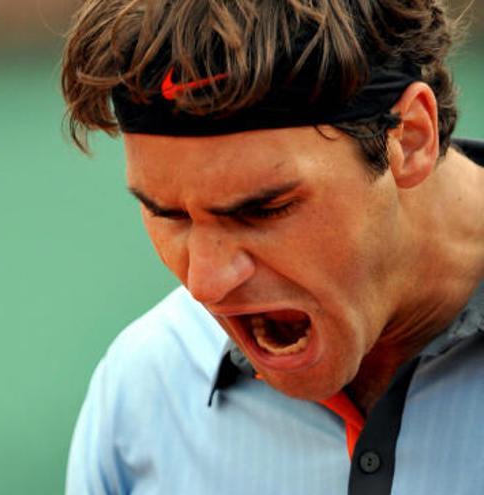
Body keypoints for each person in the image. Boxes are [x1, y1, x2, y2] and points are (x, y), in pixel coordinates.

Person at [60, 1, 484, 494]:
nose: (205, 283)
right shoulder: (144, 386)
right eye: (168, 214)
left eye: (263, 210)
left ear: (409, 138)